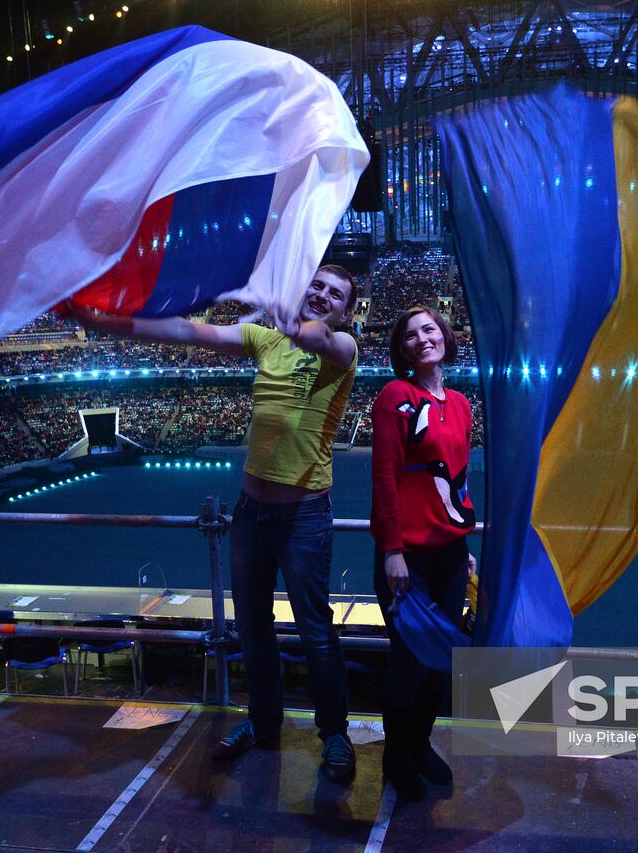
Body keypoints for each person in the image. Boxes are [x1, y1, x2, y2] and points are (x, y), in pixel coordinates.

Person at [72, 265, 360, 783]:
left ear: (346, 311)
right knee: (253, 629)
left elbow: (319, 337)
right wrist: (107, 322)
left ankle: (334, 734)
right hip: (251, 513)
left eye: (334, 294)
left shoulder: (342, 350)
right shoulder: (265, 337)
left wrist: (294, 320)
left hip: (303, 517)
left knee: (316, 633)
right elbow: (188, 331)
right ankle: (262, 724)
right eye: (315, 284)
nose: (321, 295)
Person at [370, 305, 477, 800]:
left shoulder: (460, 404)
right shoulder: (397, 397)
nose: (421, 339)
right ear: (403, 350)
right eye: (410, 335)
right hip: (406, 557)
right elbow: (386, 478)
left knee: (439, 665)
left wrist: (464, 543)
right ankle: (397, 756)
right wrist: (392, 550)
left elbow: (456, 481)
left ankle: (420, 743)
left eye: (429, 329)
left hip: (451, 553)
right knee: (409, 665)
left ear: (445, 336)